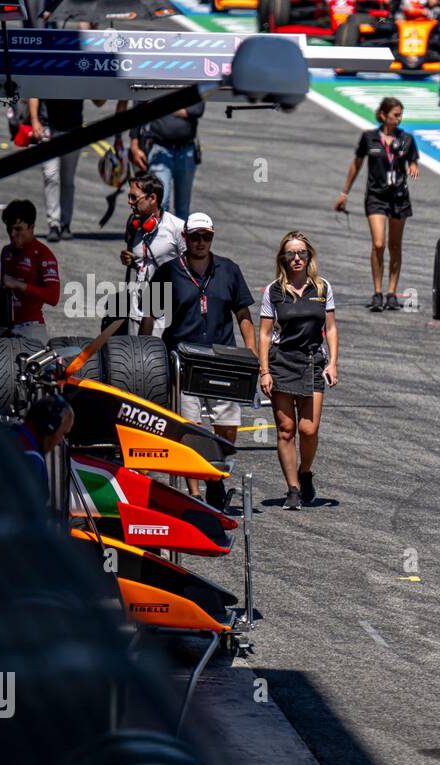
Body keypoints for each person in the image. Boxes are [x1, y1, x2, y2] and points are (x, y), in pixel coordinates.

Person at [141, 213, 255, 508]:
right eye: (195, 237)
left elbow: (244, 315)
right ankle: (194, 495)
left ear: (212, 237)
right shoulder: (167, 272)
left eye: (206, 236)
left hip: (223, 359)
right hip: (182, 358)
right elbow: (149, 317)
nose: (201, 242)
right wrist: (143, 356)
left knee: (227, 425)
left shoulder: (229, 270)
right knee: (189, 427)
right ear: (185, 238)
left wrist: (251, 354)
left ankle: (216, 480)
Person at [259, 231, 338, 511]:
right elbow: (266, 334)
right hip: (282, 362)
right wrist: (264, 370)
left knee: (308, 429)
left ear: (309, 257)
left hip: (312, 361)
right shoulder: (274, 291)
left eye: (301, 253)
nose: (296, 258)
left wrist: (333, 362)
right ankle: (292, 488)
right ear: (283, 258)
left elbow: (330, 327)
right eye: (291, 254)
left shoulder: (322, 288)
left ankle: (305, 473)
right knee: (286, 429)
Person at [336, 97, 421, 313]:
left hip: (399, 197)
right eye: (395, 115)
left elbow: (412, 160)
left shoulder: (407, 139)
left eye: (401, 114)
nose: (398, 119)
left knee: (395, 245)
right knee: (378, 243)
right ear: (383, 115)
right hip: (376, 196)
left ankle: (391, 292)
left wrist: (412, 166)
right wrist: (344, 192)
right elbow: (356, 165)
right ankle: (377, 291)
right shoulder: (369, 137)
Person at [29, 97, 105, 241]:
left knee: (67, 179)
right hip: (48, 128)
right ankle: (54, 223)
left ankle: (65, 224)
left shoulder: (82, 74)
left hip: (73, 129)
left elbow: (99, 102)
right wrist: (34, 120)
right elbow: (35, 93)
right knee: (51, 176)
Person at [119, 172, 185, 336]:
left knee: (157, 356)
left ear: (153, 198)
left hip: (164, 308)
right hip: (136, 305)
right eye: (129, 197)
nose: (129, 202)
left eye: (134, 198)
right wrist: (129, 260)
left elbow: (191, 265)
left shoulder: (176, 227)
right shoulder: (133, 224)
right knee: (134, 355)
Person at [0, 199, 60, 343]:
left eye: (18, 229)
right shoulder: (6, 252)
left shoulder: (43, 254)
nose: (12, 234)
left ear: (31, 227)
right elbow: (3, 293)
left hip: (31, 328)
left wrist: (19, 285)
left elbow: (53, 297)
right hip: (6, 328)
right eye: (9, 228)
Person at [130, 99, 204, 221]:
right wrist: (134, 144)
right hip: (160, 149)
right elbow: (139, 108)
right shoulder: (158, 80)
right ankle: (159, 238)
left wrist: (162, 106)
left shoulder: (191, 80)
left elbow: (197, 109)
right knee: (160, 204)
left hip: (186, 151)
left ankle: (180, 239)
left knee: (183, 208)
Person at [12, 393, 74, 500]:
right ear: (50, 427)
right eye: (63, 433)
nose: (60, 442)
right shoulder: (31, 458)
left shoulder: (8, 436)